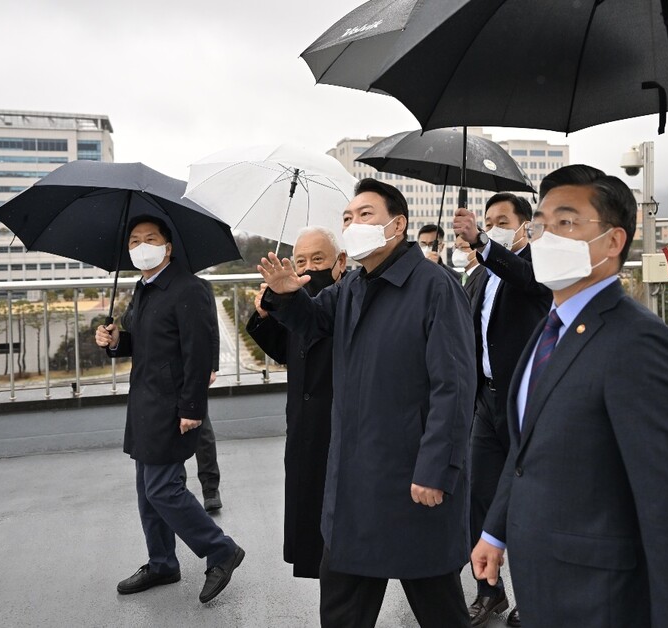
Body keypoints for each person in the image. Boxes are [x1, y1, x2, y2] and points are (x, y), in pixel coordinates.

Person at [470, 165, 668, 627]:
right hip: (541, 583)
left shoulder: (639, 342)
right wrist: (495, 531)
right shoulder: (548, 329)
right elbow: (523, 449)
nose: (545, 236)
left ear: (614, 241)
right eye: (540, 223)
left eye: (566, 222)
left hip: (601, 596)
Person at [258, 178, 476, 628]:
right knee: (341, 607)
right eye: (347, 217)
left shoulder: (435, 287)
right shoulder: (353, 286)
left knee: (438, 604)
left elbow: (453, 387)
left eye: (365, 215)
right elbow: (314, 322)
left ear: (397, 225)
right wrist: (287, 294)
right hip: (354, 482)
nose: (353, 224)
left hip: (412, 479)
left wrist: (436, 468)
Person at [94, 215, 244, 604]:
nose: (142, 246)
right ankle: (162, 562)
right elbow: (142, 343)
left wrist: (192, 406)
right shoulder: (142, 288)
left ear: (168, 246)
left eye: (150, 239)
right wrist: (113, 341)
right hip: (144, 401)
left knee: (163, 488)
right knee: (147, 490)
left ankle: (220, 549)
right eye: (134, 240)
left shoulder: (187, 288)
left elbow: (198, 353)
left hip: (173, 404)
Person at [453, 192, 551, 627]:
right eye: (487, 220)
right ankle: (489, 591)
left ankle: (537, 599)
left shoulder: (537, 264)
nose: (492, 225)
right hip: (486, 402)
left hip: (526, 403)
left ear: (524, 225)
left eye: (500, 221)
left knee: (531, 501)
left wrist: (483, 244)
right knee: (479, 499)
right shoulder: (479, 276)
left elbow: (529, 283)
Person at [246, 226, 347, 578]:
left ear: (340, 263)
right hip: (302, 420)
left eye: (318, 259)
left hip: (338, 422)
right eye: (301, 260)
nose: (308, 267)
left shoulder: (348, 299)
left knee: (340, 518)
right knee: (307, 507)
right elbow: (283, 351)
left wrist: (290, 302)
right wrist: (266, 312)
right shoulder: (292, 300)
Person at [196, 279, 223, 512]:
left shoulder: (201, 287)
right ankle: (176, 487)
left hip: (194, 367)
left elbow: (211, 327)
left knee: (202, 431)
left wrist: (212, 366)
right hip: (160, 370)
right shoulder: (145, 286)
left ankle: (210, 488)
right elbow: (131, 320)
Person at [452, 233, 487, 303]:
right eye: (456, 247)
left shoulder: (484, 276)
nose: (458, 251)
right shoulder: (462, 278)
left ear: (478, 249)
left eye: (463, 247)